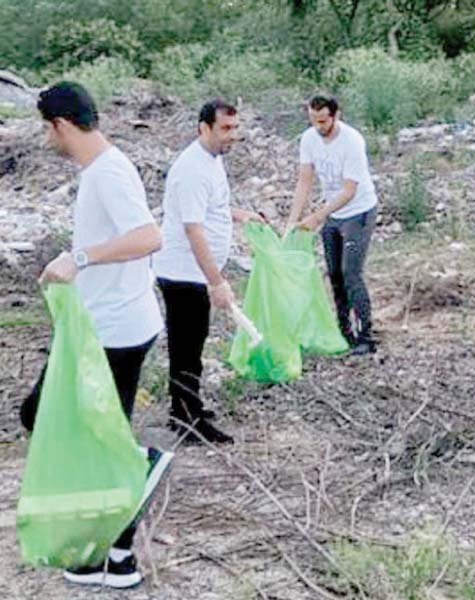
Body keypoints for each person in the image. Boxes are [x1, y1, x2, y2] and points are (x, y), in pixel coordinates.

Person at [22, 81, 173, 589]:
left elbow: (150, 236)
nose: (47, 139)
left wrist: (79, 258)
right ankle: (109, 556)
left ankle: (139, 477)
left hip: (119, 330)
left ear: (62, 124)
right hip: (106, 323)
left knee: (66, 424)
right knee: (78, 427)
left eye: (47, 128)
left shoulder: (109, 172)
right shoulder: (99, 171)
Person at [153, 99, 264, 444]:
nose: (233, 136)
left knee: (192, 344)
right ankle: (189, 420)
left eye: (236, 128)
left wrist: (239, 213)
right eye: (226, 129)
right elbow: (194, 228)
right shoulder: (191, 169)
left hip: (193, 272)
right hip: (185, 273)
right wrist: (216, 281)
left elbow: (211, 207)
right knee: (187, 346)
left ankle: (183, 407)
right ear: (204, 128)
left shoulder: (212, 161)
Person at [286, 95, 379, 355]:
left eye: (323, 121)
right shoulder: (309, 139)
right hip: (332, 213)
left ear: (336, 116)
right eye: (314, 120)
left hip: (358, 211)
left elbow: (350, 190)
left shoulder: (352, 142)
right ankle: (343, 330)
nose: (318, 126)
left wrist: (318, 215)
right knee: (334, 274)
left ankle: (365, 336)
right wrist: (293, 220)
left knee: (352, 273)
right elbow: (305, 180)